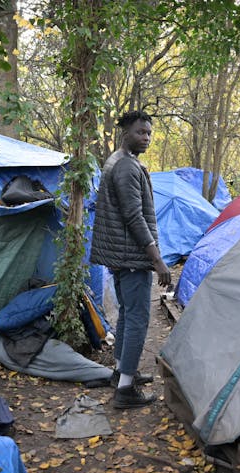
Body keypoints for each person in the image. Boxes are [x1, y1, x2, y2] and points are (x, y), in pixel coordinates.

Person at [90, 110, 172, 409]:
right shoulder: (125, 167)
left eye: (149, 133)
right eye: (141, 132)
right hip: (132, 255)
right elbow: (134, 216)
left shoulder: (119, 161)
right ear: (125, 132)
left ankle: (122, 371)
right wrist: (157, 260)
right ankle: (126, 390)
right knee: (138, 316)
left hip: (120, 254)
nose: (146, 138)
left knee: (127, 312)